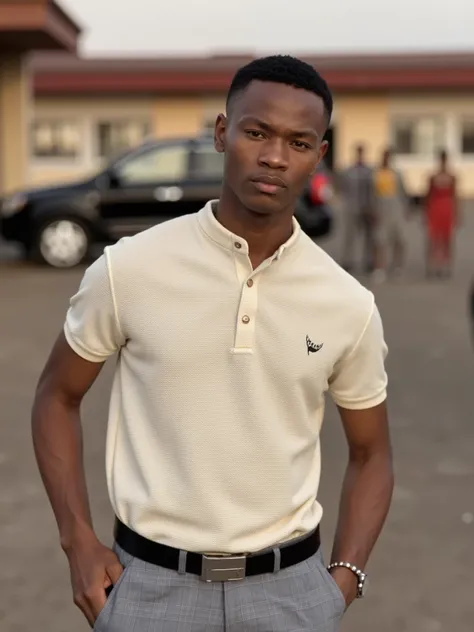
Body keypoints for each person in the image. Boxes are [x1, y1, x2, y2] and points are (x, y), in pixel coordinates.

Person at [32, 55, 394, 632]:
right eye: (257, 132)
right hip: (147, 588)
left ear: (319, 156)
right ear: (223, 133)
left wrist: (342, 581)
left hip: (291, 595)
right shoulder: (130, 270)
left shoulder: (346, 302)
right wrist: (78, 542)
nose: (275, 156)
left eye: (299, 142)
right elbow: (56, 396)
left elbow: (372, 454)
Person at [371, 148, 410, 282]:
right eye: (384, 156)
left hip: (396, 209)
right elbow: (371, 194)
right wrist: (372, 210)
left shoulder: (396, 174)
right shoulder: (376, 174)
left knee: (400, 239)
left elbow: (403, 192)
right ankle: (379, 268)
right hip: (381, 209)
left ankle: (398, 266)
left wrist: (406, 209)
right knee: (380, 240)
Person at [338, 144, 375, 273]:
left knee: (369, 236)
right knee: (350, 235)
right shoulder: (349, 171)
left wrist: (371, 207)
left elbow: (373, 190)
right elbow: (343, 188)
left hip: (366, 207)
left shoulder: (369, 171)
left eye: (361, 152)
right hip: (352, 207)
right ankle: (348, 260)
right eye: (358, 152)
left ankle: (368, 261)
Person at [424, 149, 459, 277]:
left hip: (447, 207)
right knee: (433, 238)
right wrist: (426, 211)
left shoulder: (452, 177)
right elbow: (428, 195)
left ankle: (446, 266)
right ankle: (432, 266)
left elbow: (455, 195)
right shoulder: (433, 177)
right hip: (435, 207)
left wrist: (457, 213)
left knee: (447, 239)